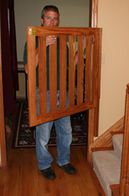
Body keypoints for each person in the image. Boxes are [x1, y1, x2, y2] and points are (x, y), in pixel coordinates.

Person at [23, 5, 76, 180]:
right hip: (43, 93)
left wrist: (84, 51)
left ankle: (63, 160)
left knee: (66, 131)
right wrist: (43, 45)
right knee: (44, 132)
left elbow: (70, 64)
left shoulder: (62, 41)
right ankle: (44, 164)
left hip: (63, 92)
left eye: (55, 19)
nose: (52, 22)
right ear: (42, 20)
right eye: (49, 18)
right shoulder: (32, 39)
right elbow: (29, 70)